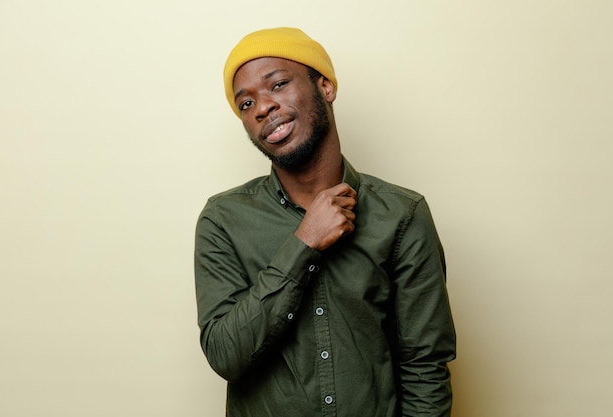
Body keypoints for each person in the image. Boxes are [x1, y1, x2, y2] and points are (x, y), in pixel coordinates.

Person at [194, 27, 456, 417]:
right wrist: (303, 243)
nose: (262, 107)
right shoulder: (223, 220)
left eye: (278, 84)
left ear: (325, 86)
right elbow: (224, 355)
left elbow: (424, 368)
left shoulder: (401, 215)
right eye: (245, 104)